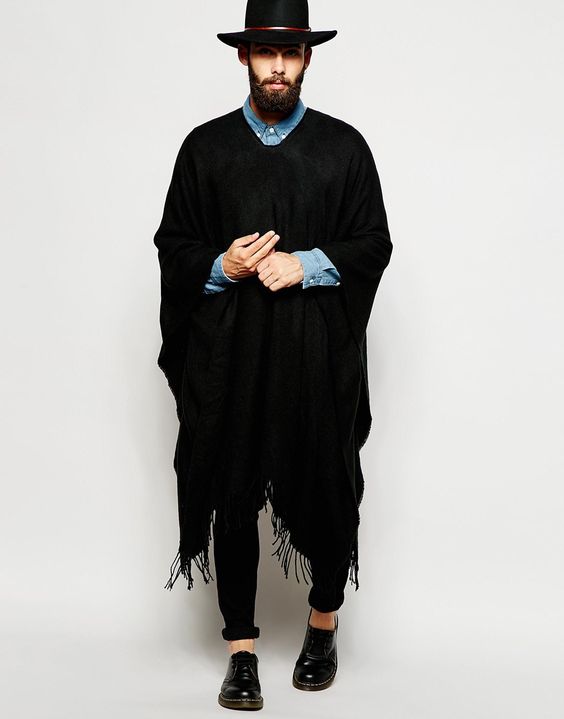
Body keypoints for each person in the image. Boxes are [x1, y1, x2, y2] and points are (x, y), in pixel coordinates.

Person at [153, 0, 393, 711]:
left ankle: (322, 626)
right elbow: (172, 245)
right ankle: (241, 651)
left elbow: (373, 243)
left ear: (308, 58)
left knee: (328, 485)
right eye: (265, 52)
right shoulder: (205, 149)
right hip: (231, 358)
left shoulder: (343, 149)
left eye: (290, 53)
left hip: (315, 356)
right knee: (232, 491)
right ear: (244, 57)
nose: (278, 67)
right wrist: (219, 264)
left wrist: (306, 263)